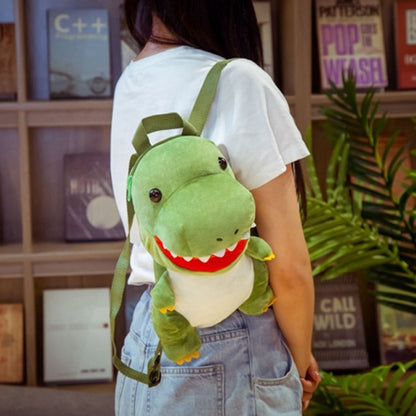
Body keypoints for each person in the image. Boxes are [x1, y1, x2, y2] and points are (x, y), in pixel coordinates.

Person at [110, 1, 321, 414]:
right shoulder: (239, 80)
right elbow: (289, 268)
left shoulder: (131, 78)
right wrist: (298, 363)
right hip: (233, 344)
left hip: (147, 338)